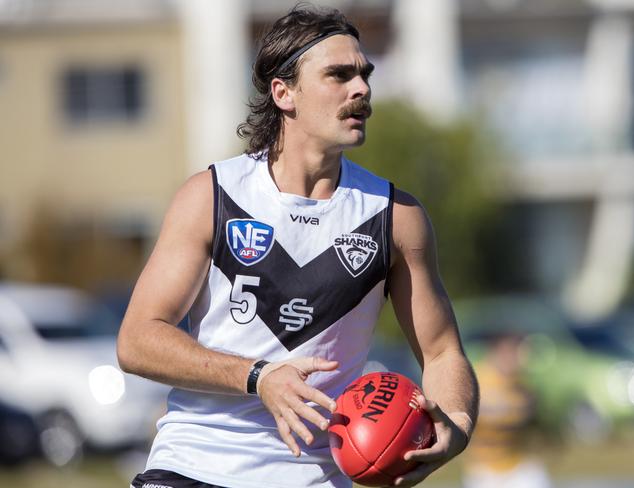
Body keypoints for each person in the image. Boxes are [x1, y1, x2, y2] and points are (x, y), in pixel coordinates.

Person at [117, 5, 479, 488]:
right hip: (193, 466)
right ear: (284, 93)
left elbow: (441, 354)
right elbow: (138, 339)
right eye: (339, 75)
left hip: (314, 478)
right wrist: (258, 376)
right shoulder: (212, 195)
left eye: (364, 75)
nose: (362, 89)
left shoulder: (397, 218)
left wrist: (456, 423)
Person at [462, 333, 551, 488]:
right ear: (496, 352)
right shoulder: (479, 378)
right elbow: (471, 411)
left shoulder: (520, 381)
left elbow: (530, 408)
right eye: (511, 352)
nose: (516, 358)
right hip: (483, 469)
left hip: (516, 465)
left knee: (538, 478)